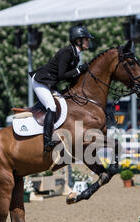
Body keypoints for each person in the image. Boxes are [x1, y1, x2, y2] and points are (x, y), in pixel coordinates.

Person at [29, 24, 94, 152]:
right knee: (51, 107)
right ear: (78, 40)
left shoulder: (75, 55)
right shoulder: (67, 52)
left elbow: (69, 77)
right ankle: (47, 141)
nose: (88, 41)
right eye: (86, 39)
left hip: (50, 83)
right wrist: (78, 70)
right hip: (41, 81)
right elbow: (62, 75)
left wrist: (81, 73)